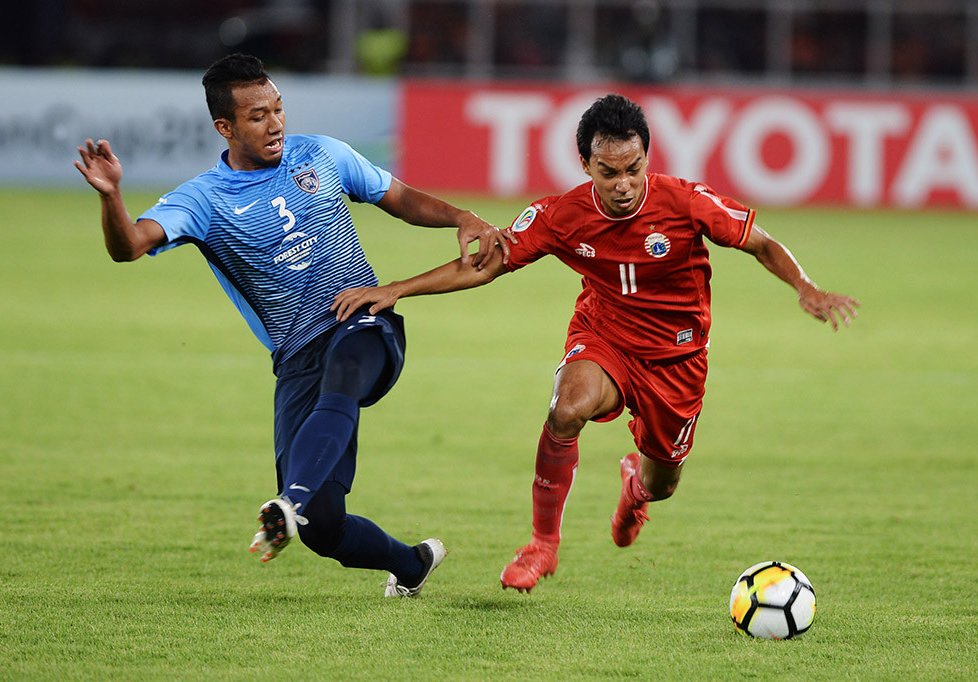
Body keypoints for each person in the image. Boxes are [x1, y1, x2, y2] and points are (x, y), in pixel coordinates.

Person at [333, 94, 860, 593]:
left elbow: (762, 244)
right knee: (567, 409)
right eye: (609, 172)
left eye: (634, 168)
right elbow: (485, 263)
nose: (624, 183)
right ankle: (543, 545)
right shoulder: (561, 215)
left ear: (647, 157)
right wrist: (397, 289)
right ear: (586, 165)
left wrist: (805, 287)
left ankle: (636, 487)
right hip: (604, 339)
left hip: (677, 363)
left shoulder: (686, 202)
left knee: (663, 485)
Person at [74, 53, 511, 598]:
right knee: (324, 528)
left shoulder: (322, 154)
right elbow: (129, 247)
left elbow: (398, 198)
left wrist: (461, 216)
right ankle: (410, 562)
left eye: (279, 108)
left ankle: (289, 499)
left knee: (344, 377)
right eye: (258, 115)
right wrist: (113, 195)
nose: (276, 123)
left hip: (364, 321)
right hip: (298, 358)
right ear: (225, 127)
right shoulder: (204, 199)